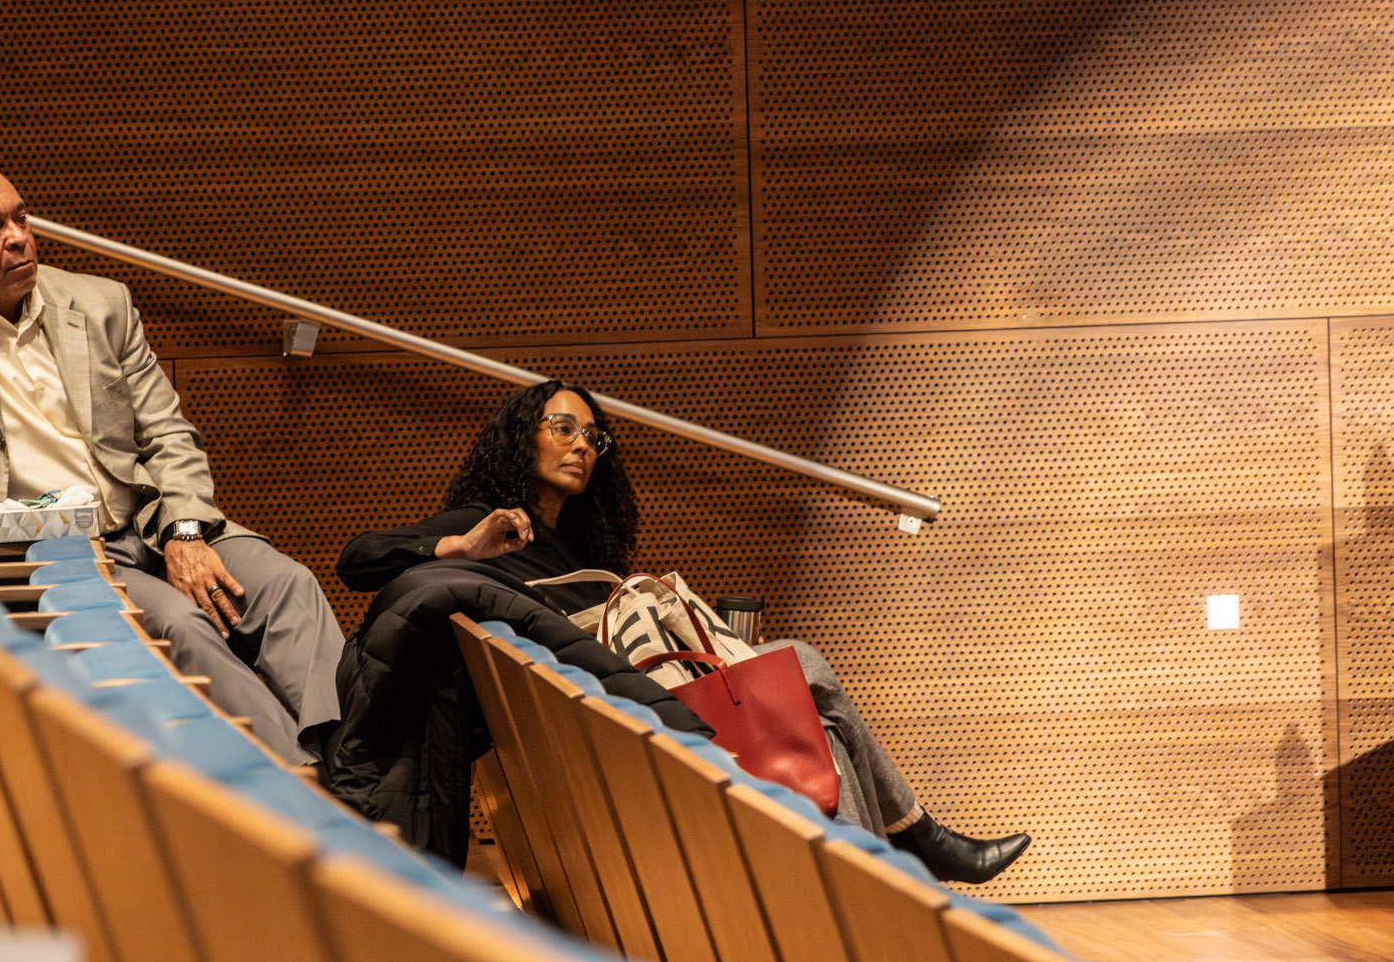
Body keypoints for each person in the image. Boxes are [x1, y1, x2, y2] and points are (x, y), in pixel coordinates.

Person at [336, 379, 1030, 884]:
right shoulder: (484, 519)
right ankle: (912, 845)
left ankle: (878, 871)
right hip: (612, 711)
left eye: (592, 436)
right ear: (523, 438)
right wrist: (460, 546)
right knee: (804, 667)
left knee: (823, 717)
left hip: (623, 693)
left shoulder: (584, 550)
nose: (582, 445)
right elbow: (358, 559)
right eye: (563, 428)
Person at [0, 161, 342, 767]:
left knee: (289, 586)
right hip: (43, 549)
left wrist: (184, 532)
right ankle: (299, 786)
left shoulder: (100, 303)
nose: (18, 237)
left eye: (20, 217)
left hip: (148, 521)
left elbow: (168, 433)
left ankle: (358, 762)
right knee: (182, 624)